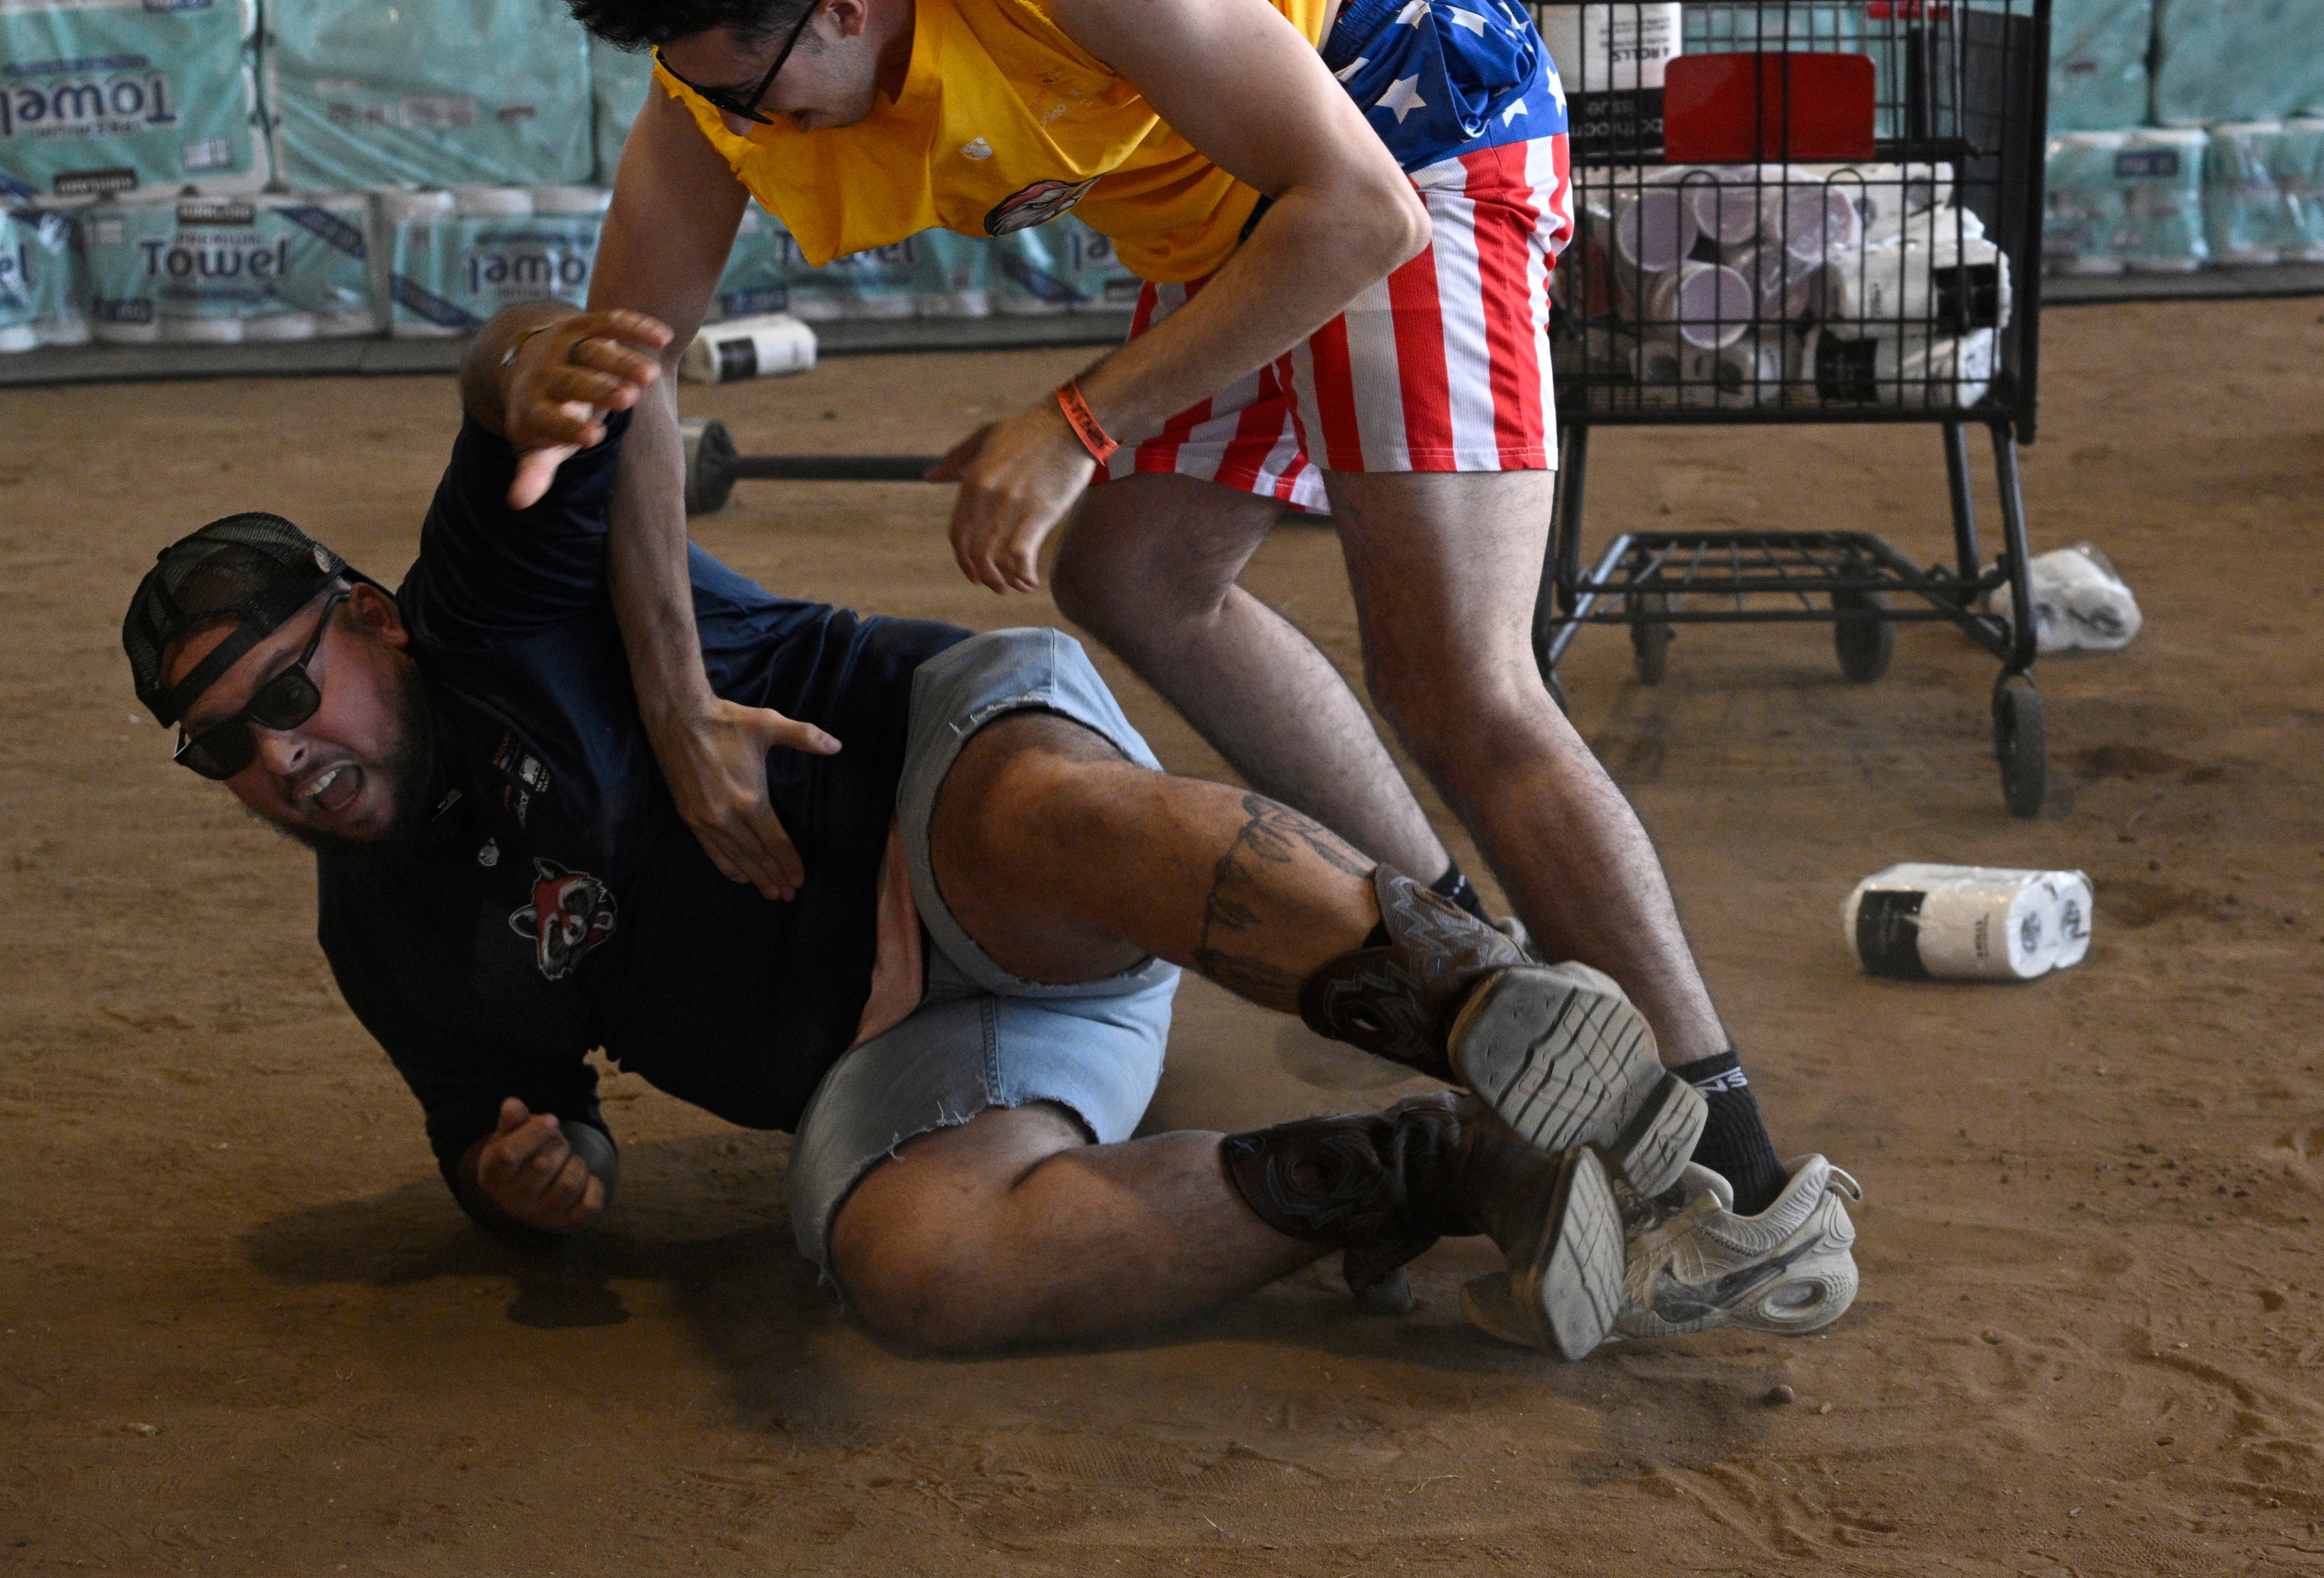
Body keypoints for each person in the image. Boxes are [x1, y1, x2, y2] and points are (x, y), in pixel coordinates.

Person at [549, 0, 1853, 1283]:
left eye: (757, 94)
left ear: (843, 9)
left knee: (1455, 680)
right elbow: (622, 375)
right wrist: (677, 697)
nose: (742, 128)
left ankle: (1739, 1195)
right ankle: (1486, 988)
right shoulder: (724, 59)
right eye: (708, 94)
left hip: (1399, 129)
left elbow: (1358, 214)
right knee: (1138, 572)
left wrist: (1079, 423)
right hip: (1227, 208)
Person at [119, 322, 1809, 1358]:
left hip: (949, 775)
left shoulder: (483, 606)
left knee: (1045, 823)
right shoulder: (381, 934)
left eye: (292, 688)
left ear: (368, 619)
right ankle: (1450, 1166)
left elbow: (545, 380)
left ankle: (1483, 1007)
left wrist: (513, 362)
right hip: (928, 1052)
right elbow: (503, 1118)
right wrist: (527, 1183)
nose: (285, 754)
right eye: (231, 747)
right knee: (918, 1274)